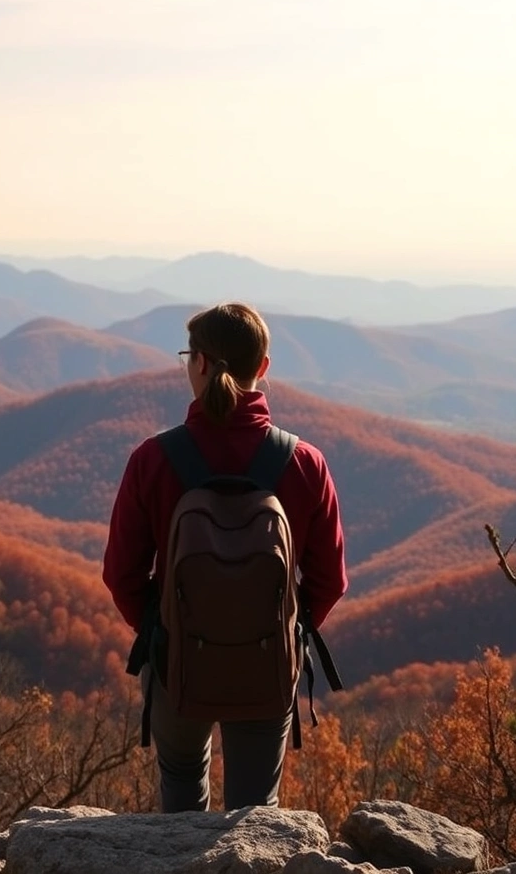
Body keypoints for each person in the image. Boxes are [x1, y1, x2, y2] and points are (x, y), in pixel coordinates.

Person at [103, 301, 347, 812]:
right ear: (263, 369)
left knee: (181, 793)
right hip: (267, 668)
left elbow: (122, 575)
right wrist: (285, 631)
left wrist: (162, 629)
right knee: (255, 814)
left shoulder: (153, 459)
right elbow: (329, 580)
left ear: (198, 364)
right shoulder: (304, 463)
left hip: (176, 664)